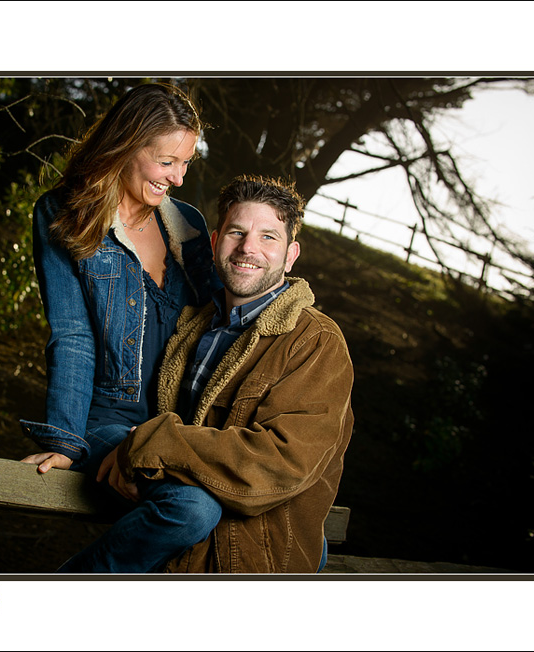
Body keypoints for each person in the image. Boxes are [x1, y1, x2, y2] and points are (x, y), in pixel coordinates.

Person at [61, 174, 355, 573]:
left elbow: (278, 463)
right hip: (183, 557)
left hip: (252, 567)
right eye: (237, 232)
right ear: (215, 243)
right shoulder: (196, 327)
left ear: (290, 256)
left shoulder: (315, 341)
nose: (248, 247)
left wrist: (151, 443)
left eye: (269, 237)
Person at [19, 83, 224, 566]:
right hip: (110, 422)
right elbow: (72, 334)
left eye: (186, 163)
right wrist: (65, 441)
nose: (177, 178)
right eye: (165, 161)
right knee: (192, 509)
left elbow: (220, 327)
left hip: (179, 427)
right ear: (127, 144)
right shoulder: (64, 213)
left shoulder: (188, 227)